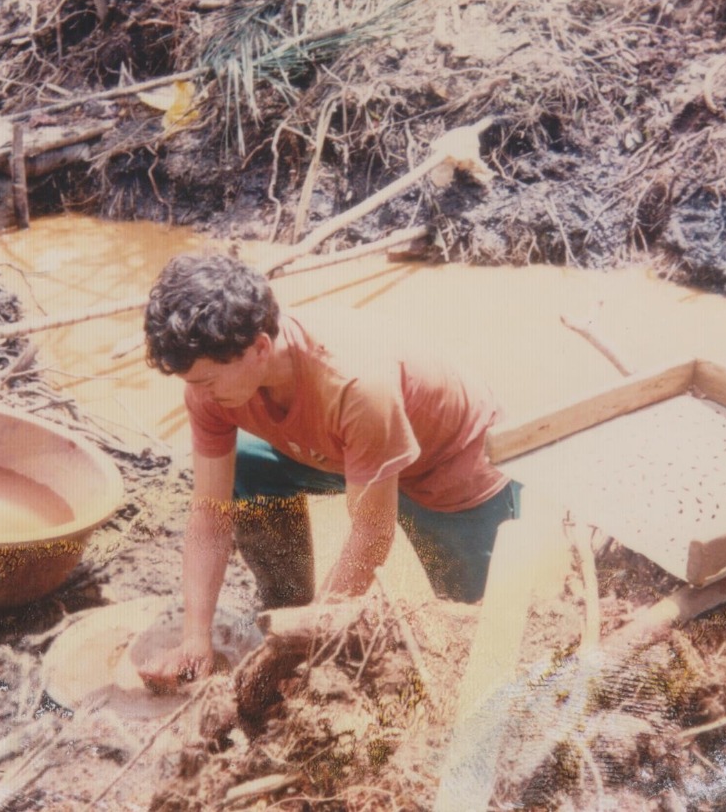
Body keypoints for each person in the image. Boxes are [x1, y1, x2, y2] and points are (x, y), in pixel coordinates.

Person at [135, 252, 522, 691]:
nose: (197, 395)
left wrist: (309, 645)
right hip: (348, 451)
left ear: (260, 348)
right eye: (191, 382)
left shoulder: (355, 384)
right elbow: (208, 515)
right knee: (246, 461)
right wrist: (195, 638)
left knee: (478, 636)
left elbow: (373, 531)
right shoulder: (211, 389)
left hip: (453, 466)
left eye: (206, 382)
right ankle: (285, 606)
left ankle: (303, 628)